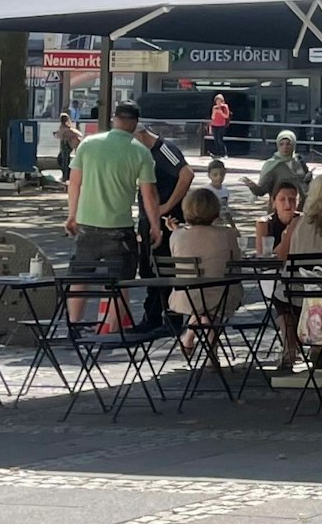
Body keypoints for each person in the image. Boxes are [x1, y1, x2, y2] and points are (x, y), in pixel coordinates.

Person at [64, 101, 161, 323]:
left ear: (114, 119)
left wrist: (72, 215)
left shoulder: (87, 145)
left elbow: (75, 183)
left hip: (87, 224)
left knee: (80, 277)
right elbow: (149, 195)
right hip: (120, 227)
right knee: (120, 281)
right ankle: (112, 331)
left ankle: (74, 325)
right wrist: (155, 226)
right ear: (135, 124)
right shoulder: (141, 152)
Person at [168, 187, 242, 358]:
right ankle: (211, 353)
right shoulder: (227, 234)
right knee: (212, 298)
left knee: (202, 296)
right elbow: (236, 264)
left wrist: (177, 231)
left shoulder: (177, 236)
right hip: (221, 295)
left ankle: (190, 338)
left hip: (185, 297)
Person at [135, 126, 196, 334]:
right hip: (148, 219)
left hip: (166, 219)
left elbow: (186, 174)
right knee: (149, 270)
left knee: (166, 267)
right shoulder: (143, 154)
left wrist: (166, 206)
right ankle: (153, 316)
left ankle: (171, 317)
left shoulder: (164, 149)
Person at [257, 180, 306, 368]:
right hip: (274, 277)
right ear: (273, 202)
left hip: (300, 276)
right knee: (281, 296)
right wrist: (287, 235)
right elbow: (267, 258)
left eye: (292, 200)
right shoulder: (265, 224)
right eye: (282, 199)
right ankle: (290, 348)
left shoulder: (305, 222)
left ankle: (291, 349)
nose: (288, 204)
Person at [249, 131, 310, 198]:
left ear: (293, 145)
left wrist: (308, 179)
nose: (285, 147)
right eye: (281, 144)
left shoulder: (299, 161)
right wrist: (253, 187)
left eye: (288, 144)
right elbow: (262, 189)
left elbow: (307, 184)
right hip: (279, 204)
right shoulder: (271, 164)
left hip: (299, 204)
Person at [54, 111, 82, 183]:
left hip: (66, 145)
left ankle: (65, 177)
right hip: (65, 144)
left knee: (65, 161)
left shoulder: (67, 128)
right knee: (61, 159)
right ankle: (67, 175)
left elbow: (66, 133)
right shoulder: (63, 126)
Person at [208, 94, 233, 158]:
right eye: (217, 101)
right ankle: (217, 153)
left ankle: (225, 153)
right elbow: (212, 117)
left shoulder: (225, 107)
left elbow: (226, 116)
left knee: (220, 139)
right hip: (214, 125)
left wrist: (220, 112)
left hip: (221, 125)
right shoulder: (214, 107)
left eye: (219, 101)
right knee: (216, 140)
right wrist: (214, 112)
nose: (218, 102)